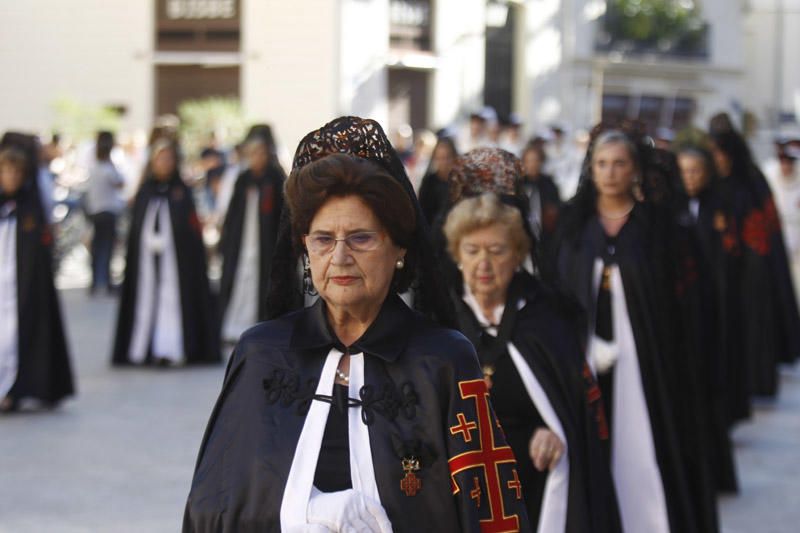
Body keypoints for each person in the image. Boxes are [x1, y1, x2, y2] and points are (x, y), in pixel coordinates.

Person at [183, 117, 530, 532]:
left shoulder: (443, 360)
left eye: (361, 238)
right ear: (305, 249)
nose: (340, 256)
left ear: (398, 248)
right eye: (323, 239)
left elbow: (488, 514)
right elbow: (215, 503)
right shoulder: (261, 354)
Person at [547, 126, 718, 533]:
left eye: (619, 163)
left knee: (644, 443)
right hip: (585, 362)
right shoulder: (576, 229)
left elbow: (683, 300)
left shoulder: (658, 229)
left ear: (636, 170)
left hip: (648, 365)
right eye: (602, 164)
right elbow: (557, 292)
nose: (609, 172)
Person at [443, 148, 620, 532]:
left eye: (497, 250)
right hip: (459, 494)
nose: (483, 264)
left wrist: (555, 433)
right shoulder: (440, 323)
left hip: (537, 490)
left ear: (519, 254)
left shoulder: (545, 319)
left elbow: (573, 414)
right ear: (457, 255)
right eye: (472, 251)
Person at [111, 140, 219, 366]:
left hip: (176, 267)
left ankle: (172, 349)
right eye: (160, 159)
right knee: (145, 301)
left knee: (172, 303)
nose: (164, 163)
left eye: (169, 159)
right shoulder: (145, 192)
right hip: (146, 265)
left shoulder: (182, 192)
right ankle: (144, 349)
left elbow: (190, 231)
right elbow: (136, 229)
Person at [709, 127, 800, 395]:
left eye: (720, 152)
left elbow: (763, 227)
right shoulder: (712, 182)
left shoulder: (751, 181)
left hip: (751, 267)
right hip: (719, 268)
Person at [674, 146, 740, 492]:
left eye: (696, 171)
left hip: (716, 310)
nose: (690, 178)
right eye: (684, 171)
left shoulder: (721, 206)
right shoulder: (670, 214)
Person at [0, 145, 74, 412]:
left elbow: (38, 253)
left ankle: (15, 389)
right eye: (6, 171)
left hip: (21, 288)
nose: (10, 176)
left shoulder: (31, 208)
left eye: (16, 171)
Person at [218, 135, 285, 343]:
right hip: (243, 243)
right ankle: (234, 327)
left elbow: (282, 214)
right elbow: (232, 214)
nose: (257, 158)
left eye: (261, 153)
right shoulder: (243, 179)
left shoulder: (275, 178)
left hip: (265, 245)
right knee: (240, 282)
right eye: (253, 154)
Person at [85, 131, 125, 295]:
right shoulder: (107, 168)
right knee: (106, 247)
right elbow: (120, 183)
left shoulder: (94, 168)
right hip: (107, 210)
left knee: (98, 246)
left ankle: (95, 282)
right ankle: (105, 281)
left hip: (96, 210)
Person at [520, 141, 562, 253]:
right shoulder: (518, 184)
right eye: (529, 161)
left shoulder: (549, 184)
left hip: (546, 237)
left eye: (536, 160)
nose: (533, 164)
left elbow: (556, 207)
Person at [417, 136, 458, 226]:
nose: (444, 163)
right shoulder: (429, 183)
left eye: (447, 158)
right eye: (440, 158)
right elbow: (422, 212)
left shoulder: (460, 182)